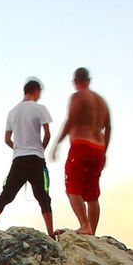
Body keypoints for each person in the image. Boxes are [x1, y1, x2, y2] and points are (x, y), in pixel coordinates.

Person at [0, 77, 54, 236]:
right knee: (42, 195)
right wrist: (41, 148)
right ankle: (50, 232)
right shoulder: (40, 109)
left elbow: (7, 139)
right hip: (36, 158)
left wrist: (17, 148)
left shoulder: (12, 112)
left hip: (19, 159)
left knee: (6, 193)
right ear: (36, 91)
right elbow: (48, 134)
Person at [51, 67, 111, 234]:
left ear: (75, 82)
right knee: (92, 194)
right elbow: (108, 127)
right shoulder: (102, 101)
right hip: (98, 148)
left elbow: (72, 119)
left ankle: (85, 225)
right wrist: (105, 151)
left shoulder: (77, 97)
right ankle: (92, 230)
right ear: (89, 80)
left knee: (72, 187)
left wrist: (58, 143)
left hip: (81, 145)